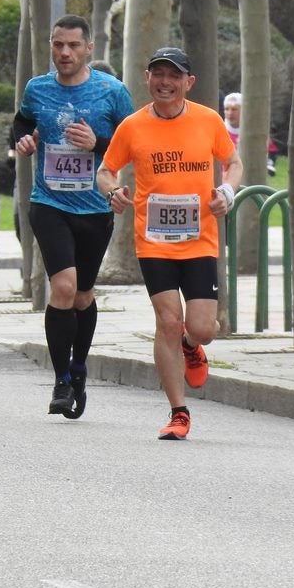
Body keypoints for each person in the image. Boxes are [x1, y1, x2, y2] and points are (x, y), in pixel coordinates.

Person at [98, 47, 242, 440]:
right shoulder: (132, 126)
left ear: (188, 83)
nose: (165, 82)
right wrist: (114, 193)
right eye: (158, 74)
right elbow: (105, 170)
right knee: (166, 319)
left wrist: (227, 192)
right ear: (147, 78)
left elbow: (234, 163)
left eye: (173, 76)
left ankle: (191, 344)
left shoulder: (208, 120)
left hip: (200, 241)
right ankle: (179, 412)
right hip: (154, 241)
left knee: (203, 327)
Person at [11, 15, 135, 418]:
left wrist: (98, 143)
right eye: (58, 45)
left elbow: (132, 141)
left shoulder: (111, 91)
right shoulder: (38, 88)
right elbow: (23, 121)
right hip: (49, 204)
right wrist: (23, 141)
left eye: (73, 46)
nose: (64, 53)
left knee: (82, 295)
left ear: (88, 49)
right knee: (63, 288)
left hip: (95, 207)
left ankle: (79, 366)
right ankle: (61, 380)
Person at [222, 91, 277, 176]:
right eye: (227, 109)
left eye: (234, 109)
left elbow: (271, 151)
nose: (230, 113)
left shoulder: (255, 132)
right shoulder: (220, 129)